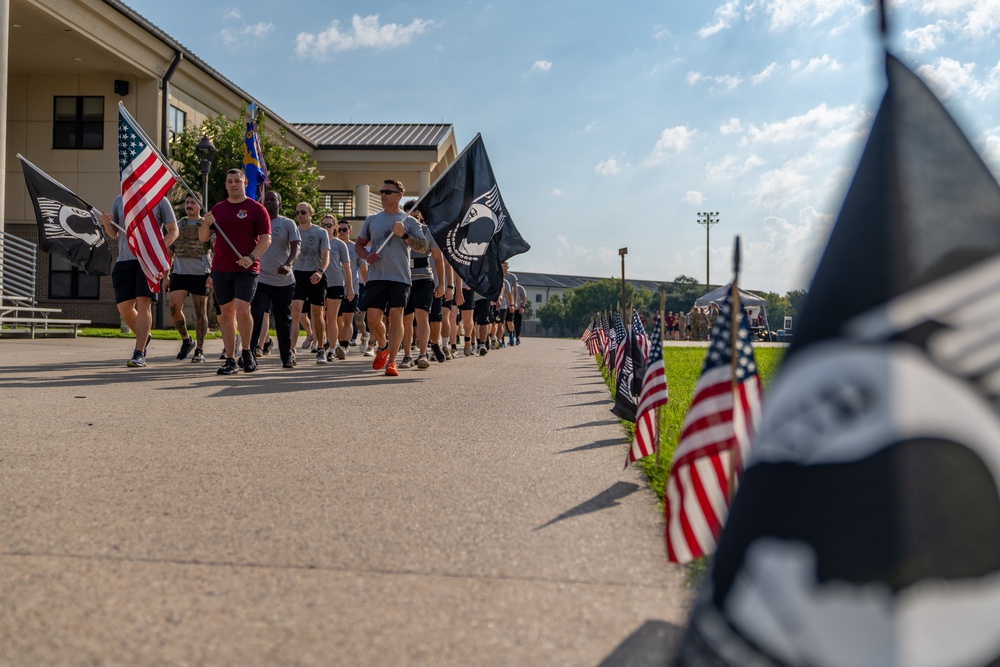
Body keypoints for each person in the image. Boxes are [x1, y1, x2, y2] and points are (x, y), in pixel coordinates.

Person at [199, 168, 271, 376]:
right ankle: (230, 358)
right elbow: (203, 237)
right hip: (221, 268)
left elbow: (266, 239)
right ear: (226, 185)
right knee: (227, 313)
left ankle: (247, 352)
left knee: (242, 308)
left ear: (245, 183)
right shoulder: (218, 209)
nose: (233, 185)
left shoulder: (256, 209)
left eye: (237, 181)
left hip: (246, 269)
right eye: (229, 181)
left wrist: (251, 257)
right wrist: (206, 223)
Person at [354, 179, 427, 377]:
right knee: (373, 318)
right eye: (382, 191)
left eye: (388, 191)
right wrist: (366, 255)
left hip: (400, 276)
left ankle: (392, 361)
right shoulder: (372, 220)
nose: (383, 194)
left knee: (396, 316)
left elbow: (423, 246)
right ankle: (383, 346)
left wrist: (403, 235)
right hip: (376, 276)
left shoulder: (409, 221)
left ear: (399, 195)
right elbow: (359, 245)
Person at [101, 194, 178, 368]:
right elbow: (114, 233)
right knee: (124, 307)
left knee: (144, 303)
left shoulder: (159, 199)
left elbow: (173, 230)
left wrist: (156, 248)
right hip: (124, 260)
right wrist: (106, 223)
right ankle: (144, 335)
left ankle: (139, 352)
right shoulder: (119, 200)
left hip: (148, 261)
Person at [250, 191, 300, 369]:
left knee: (282, 320)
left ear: (280, 202)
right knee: (255, 317)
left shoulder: (288, 223)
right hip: (261, 278)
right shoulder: (258, 222)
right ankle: (250, 355)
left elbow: (296, 248)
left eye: (273, 199)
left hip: (283, 281)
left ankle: (287, 356)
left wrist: (288, 264)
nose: (269, 202)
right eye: (267, 199)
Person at [400, 200, 445, 368]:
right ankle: (407, 355)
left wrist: (441, 284)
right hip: (404, 279)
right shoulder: (398, 231)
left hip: (425, 278)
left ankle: (423, 354)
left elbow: (438, 259)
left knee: (422, 316)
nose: (413, 220)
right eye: (409, 216)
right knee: (406, 319)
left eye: (416, 216)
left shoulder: (428, 232)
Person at [167, 193, 212, 363]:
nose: (189, 205)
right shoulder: (178, 225)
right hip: (179, 273)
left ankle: (199, 350)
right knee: (173, 308)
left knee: (200, 312)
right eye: (187, 202)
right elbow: (169, 252)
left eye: (193, 202)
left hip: (201, 273)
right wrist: (166, 276)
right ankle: (187, 340)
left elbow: (216, 250)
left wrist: (213, 275)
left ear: (200, 205)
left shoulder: (207, 225)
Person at [289, 203, 330, 363]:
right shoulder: (293, 231)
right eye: (298, 212)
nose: (300, 215)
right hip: (297, 274)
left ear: (311, 213)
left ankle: (320, 348)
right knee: (295, 313)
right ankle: (291, 350)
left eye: (303, 212)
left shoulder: (320, 232)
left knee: (317, 314)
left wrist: (320, 271)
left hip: (315, 275)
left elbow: (325, 256)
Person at [321, 214, 354, 361]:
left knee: (331, 318)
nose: (326, 228)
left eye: (329, 225)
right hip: (318, 283)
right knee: (318, 317)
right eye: (324, 225)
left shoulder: (340, 244)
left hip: (335, 283)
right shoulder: (317, 241)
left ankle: (332, 350)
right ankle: (321, 346)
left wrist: (350, 288)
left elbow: (347, 268)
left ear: (335, 227)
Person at [334, 219, 366, 358]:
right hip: (334, 287)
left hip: (351, 288)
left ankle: (345, 345)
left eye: (344, 229)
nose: (341, 232)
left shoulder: (355, 249)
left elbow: (363, 270)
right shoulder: (332, 245)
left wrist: (368, 287)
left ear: (350, 231)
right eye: (339, 229)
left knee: (348, 318)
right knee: (336, 319)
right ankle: (341, 342)